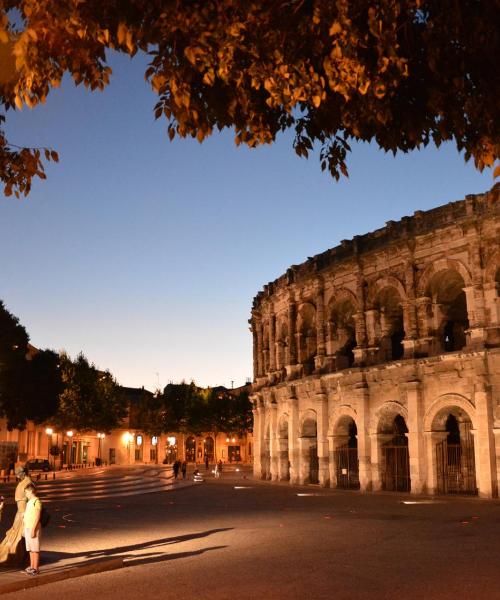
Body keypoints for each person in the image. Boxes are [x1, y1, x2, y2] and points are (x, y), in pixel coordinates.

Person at [0, 466, 34, 565]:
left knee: (23, 536)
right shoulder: (21, 482)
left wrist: (27, 514)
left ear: (23, 472)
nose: (17, 475)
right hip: (19, 513)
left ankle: (25, 557)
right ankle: (22, 555)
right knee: (19, 536)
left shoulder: (28, 482)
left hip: (25, 514)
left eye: (18, 473)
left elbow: (31, 498)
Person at [23, 483, 42, 575]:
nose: (25, 494)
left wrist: (33, 529)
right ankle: (32, 566)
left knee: (35, 549)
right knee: (30, 549)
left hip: (33, 528)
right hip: (27, 527)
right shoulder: (29, 502)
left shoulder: (36, 501)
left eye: (26, 492)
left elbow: (38, 516)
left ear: (31, 491)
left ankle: (36, 568)